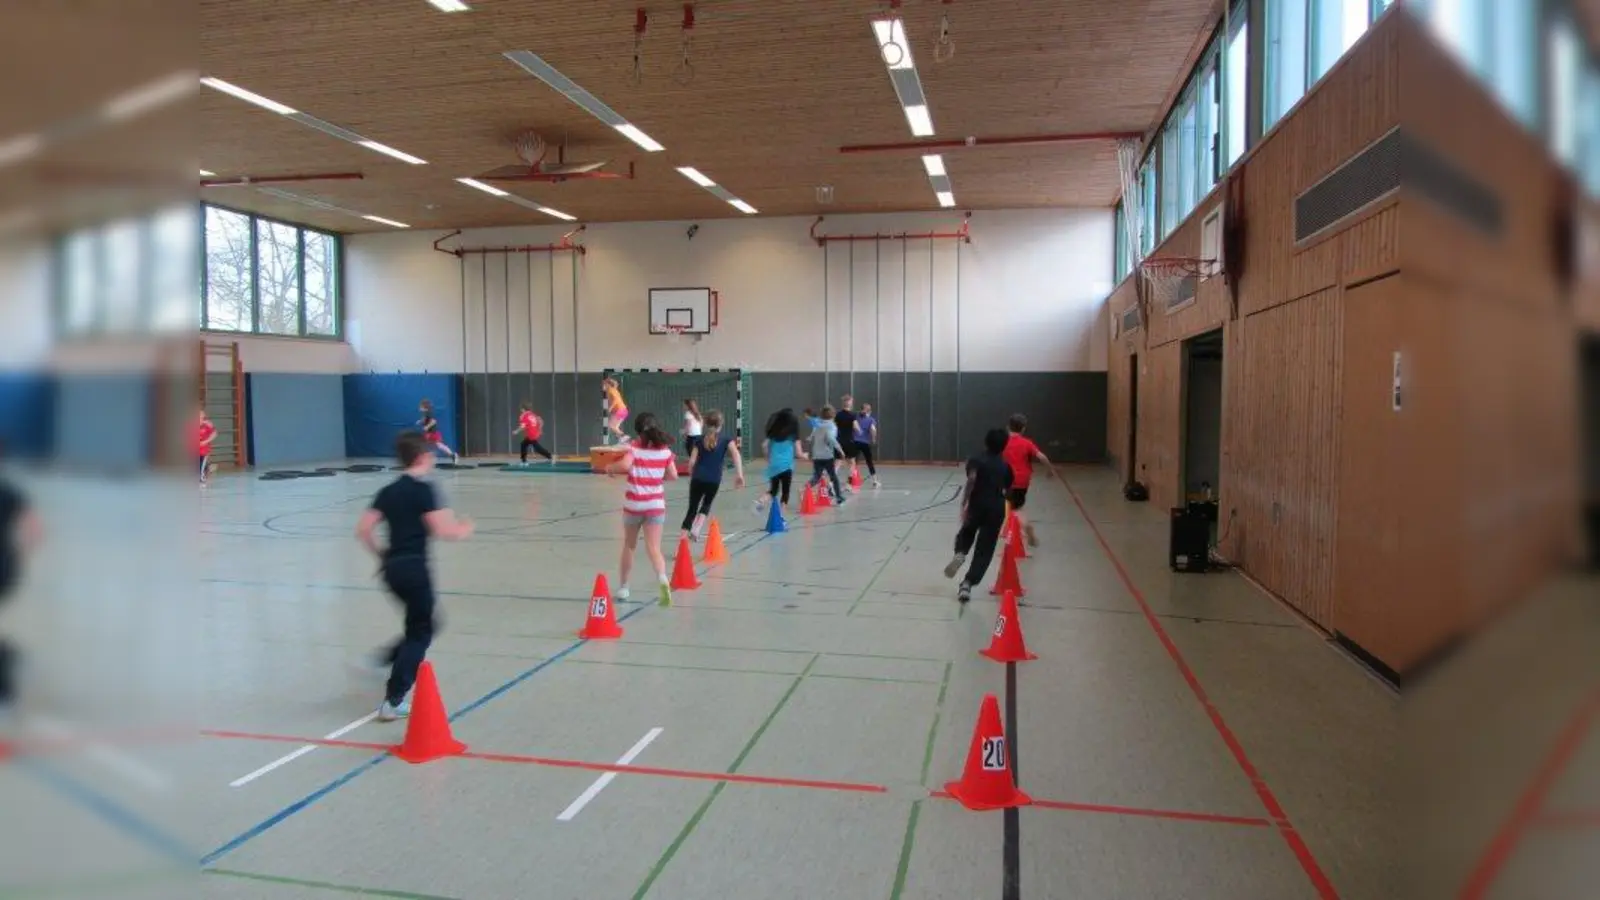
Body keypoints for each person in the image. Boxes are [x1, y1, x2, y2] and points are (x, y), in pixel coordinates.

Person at [356, 432, 475, 722]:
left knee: (424, 623)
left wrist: (382, 555)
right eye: (431, 454)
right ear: (422, 457)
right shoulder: (424, 491)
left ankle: (382, 660)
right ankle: (393, 700)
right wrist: (464, 528)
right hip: (414, 570)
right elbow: (444, 531)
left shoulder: (389, 491)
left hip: (392, 570)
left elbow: (363, 529)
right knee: (421, 632)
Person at [604, 412, 677, 606]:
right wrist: (658, 478)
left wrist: (610, 468)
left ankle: (624, 587)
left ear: (638, 431)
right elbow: (673, 475)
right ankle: (663, 580)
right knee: (654, 548)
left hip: (634, 506)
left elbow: (625, 465)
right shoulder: (665, 451)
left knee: (629, 545)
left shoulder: (634, 448)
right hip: (655, 506)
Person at [943, 428, 1014, 603]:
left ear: (985, 441)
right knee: (985, 548)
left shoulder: (976, 460)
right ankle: (967, 584)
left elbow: (972, 479)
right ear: (1004, 446)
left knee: (966, 532)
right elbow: (1008, 488)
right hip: (996, 508)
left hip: (977, 504)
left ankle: (960, 553)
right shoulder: (1005, 466)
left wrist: (964, 502)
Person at [0, 450, 42, 715]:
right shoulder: (9, 491)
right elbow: (35, 529)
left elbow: (34, 529)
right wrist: (19, 556)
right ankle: (9, 657)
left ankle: (6, 684)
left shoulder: (7, 492)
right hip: (7, 567)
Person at [681, 410, 745, 541]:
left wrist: (691, 473)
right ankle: (697, 527)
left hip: (698, 478)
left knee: (691, 509)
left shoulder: (699, 440)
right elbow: (736, 455)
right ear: (720, 425)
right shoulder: (726, 440)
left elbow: (692, 462)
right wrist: (739, 474)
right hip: (714, 479)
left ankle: (681, 544)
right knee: (706, 504)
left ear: (705, 424)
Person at [1002, 414, 1057, 548]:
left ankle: (1025, 527)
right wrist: (1050, 470)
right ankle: (1015, 529)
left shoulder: (1002, 442)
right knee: (1015, 505)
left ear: (1008, 427)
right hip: (1023, 481)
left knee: (1014, 509)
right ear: (1023, 429)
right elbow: (1042, 457)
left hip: (1009, 480)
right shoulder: (1027, 443)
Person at [755, 408, 806, 514]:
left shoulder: (773, 436)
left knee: (773, 490)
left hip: (774, 465)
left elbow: (763, 445)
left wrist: (767, 458)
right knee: (785, 492)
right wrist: (805, 455)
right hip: (787, 466)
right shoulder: (793, 436)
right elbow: (799, 454)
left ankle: (761, 501)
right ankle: (781, 514)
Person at [807, 405, 847, 505]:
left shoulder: (817, 425)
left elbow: (812, 437)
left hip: (817, 455)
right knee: (833, 476)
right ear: (833, 415)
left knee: (817, 476)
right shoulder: (832, 426)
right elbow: (831, 439)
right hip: (827, 456)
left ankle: (805, 488)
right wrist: (840, 450)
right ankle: (839, 497)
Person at [417, 400, 459, 464]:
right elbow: (425, 419)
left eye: (420, 406)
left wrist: (427, 427)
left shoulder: (428, 413)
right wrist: (420, 421)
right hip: (431, 433)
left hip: (432, 433)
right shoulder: (426, 413)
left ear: (424, 407)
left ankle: (452, 455)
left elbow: (433, 421)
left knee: (431, 445)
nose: (419, 408)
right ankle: (452, 455)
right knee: (436, 445)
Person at [835, 395, 860, 491]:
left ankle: (830, 484)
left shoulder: (838, 414)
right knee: (852, 463)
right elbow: (856, 427)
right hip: (849, 441)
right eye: (851, 401)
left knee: (837, 462)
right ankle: (848, 484)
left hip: (839, 441)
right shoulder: (852, 415)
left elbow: (834, 426)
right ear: (849, 402)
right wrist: (860, 431)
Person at [856, 403, 881, 488]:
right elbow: (873, 429)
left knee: (854, 462)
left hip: (855, 442)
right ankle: (875, 481)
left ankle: (851, 481)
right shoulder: (871, 420)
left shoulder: (856, 417)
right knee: (869, 462)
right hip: (865, 443)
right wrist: (873, 439)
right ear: (869, 411)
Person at [602, 378, 629, 445]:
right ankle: (623, 442)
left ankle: (623, 436)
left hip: (620, 410)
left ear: (608, 384)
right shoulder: (613, 390)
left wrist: (610, 408)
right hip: (624, 411)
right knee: (615, 427)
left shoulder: (611, 390)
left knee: (611, 425)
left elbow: (615, 400)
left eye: (604, 384)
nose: (603, 386)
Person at [195, 407, 216, 487]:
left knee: (202, 464)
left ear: (204, 415)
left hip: (204, 449)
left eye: (201, 414)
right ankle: (207, 470)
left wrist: (205, 441)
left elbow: (214, 434)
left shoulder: (208, 424)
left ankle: (202, 479)